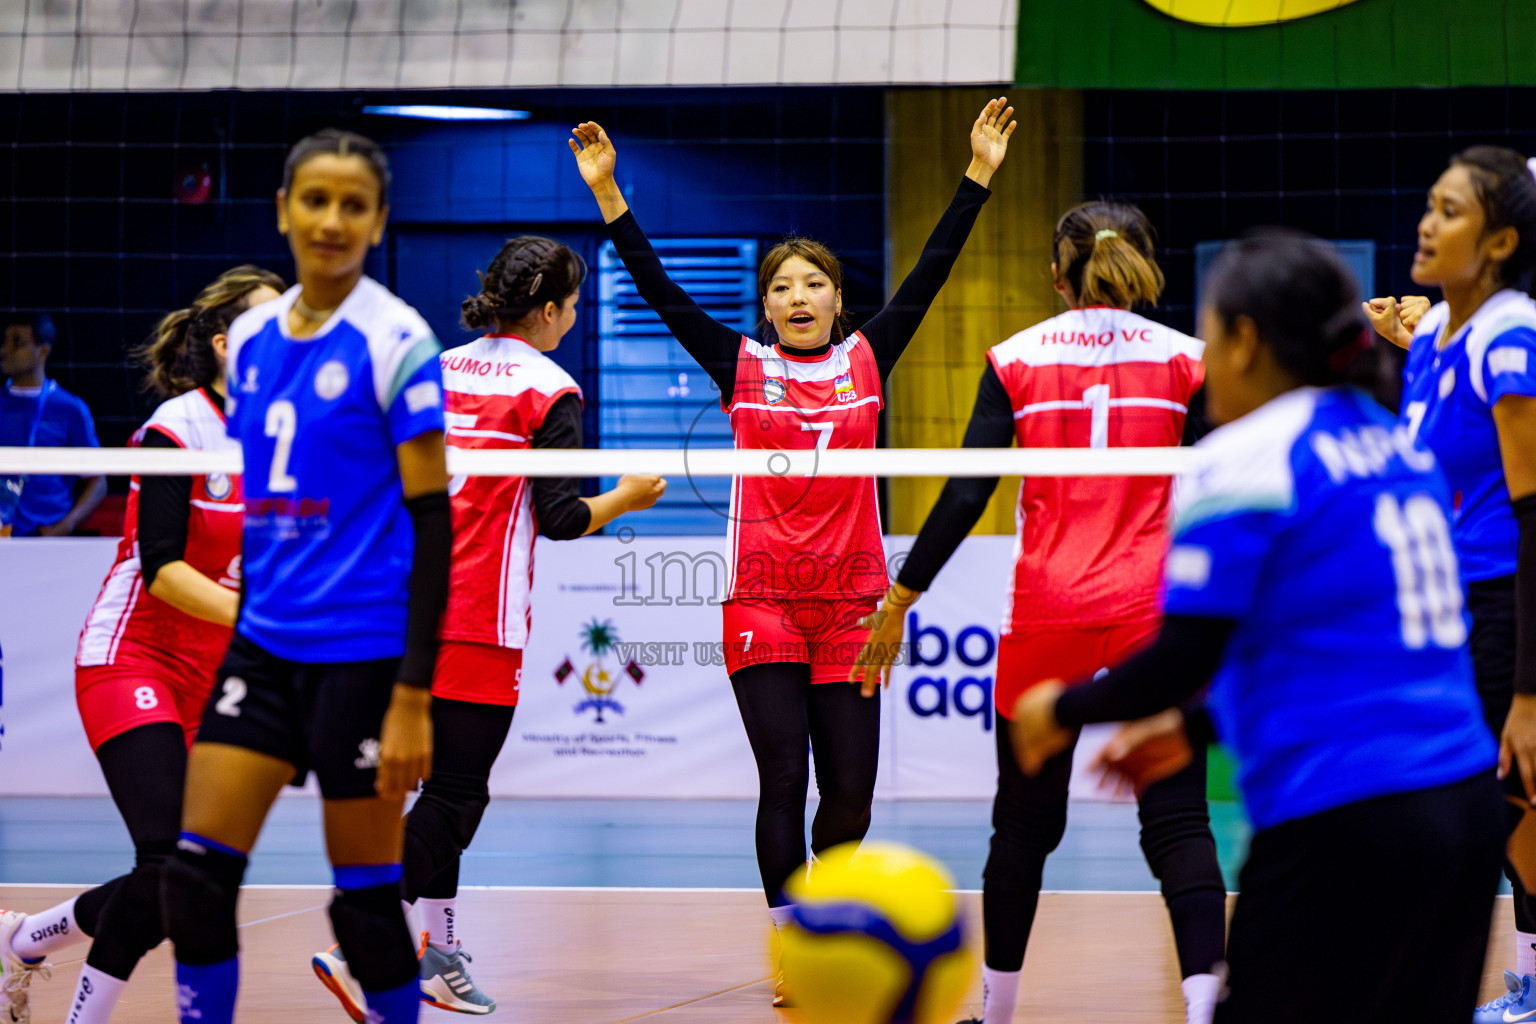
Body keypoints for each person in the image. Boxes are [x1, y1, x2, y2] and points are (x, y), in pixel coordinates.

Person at [569, 98, 1016, 1002]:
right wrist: (611, 194)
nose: (798, 297)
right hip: (761, 598)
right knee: (785, 778)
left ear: (837, 300)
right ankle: (793, 949)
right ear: (765, 306)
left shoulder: (868, 359)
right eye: (781, 287)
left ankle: (828, 921)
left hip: (854, 599)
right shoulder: (737, 366)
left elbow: (930, 274)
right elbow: (657, 289)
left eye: (813, 283)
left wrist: (976, 176)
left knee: (849, 793)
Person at [1008, 230, 1504, 1022]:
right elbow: (1346, 650)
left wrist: (1059, 709)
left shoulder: (1248, 457)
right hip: (1465, 807)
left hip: (1344, 815)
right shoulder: (1395, 444)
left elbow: (1182, 653)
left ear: (1243, 340)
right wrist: (1198, 724)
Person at [850, 201, 1226, 1024]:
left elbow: (969, 488)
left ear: (1058, 277)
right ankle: (1206, 1010)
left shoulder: (1015, 357)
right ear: (1145, 267)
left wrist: (901, 596)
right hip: (1152, 614)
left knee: (1022, 827)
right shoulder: (1191, 361)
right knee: (1177, 821)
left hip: (1048, 609)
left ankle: (999, 1014)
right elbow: (1229, 481)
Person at [312, 235, 665, 1017]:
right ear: (546, 310)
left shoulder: (432, 369)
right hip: (476, 616)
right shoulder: (550, 388)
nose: (571, 321)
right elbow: (564, 518)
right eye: (571, 308)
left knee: (439, 790)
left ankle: (436, 951)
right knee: (459, 798)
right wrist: (631, 497)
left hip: (395, 610)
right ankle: (358, 940)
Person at [159, 128, 450, 1024]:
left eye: (352, 205)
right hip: (262, 648)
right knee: (195, 882)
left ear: (378, 221)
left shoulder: (397, 339)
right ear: (285, 209)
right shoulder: (247, 340)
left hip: (362, 660)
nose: (332, 220)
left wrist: (411, 697)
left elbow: (434, 522)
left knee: (363, 904)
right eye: (314, 200)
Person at [0, 268, 285, 1024]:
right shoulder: (180, 428)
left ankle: (27, 939)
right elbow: (162, 570)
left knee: (189, 875)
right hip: (132, 657)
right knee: (166, 857)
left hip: (213, 676)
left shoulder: (291, 439)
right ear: (227, 345)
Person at [1360, 147, 1536, 1024]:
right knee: (1493, 812)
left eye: (1452, 211)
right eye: (1428, 205)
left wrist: (1530, 694)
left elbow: (1535, 515)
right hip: (1441, 608)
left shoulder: (1512, 336)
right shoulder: (1436, 337)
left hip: (1506, 603)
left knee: (1498, 806)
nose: (1427, 223)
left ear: (1500, 240)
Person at [0, 313, 105, 537]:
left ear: (43, 351)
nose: (5, 350)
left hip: (45, 538)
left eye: (17, 343)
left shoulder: (70, 408)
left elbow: (98, 481)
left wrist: (66, 525)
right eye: (5, 341)